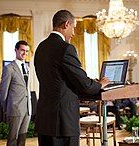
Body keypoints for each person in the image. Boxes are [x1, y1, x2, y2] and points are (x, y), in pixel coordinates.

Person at [34, 10, 109, 146]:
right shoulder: (65, 48)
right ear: (66, 24)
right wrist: (100, 84)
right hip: (63, 122)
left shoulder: (41, 47)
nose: (73, 33)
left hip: (45, 120)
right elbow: (84, 84)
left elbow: (59, 79)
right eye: (73, 28)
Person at [0, 40, 32, 146]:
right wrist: (8, 108)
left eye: (27, 51)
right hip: (14, 110)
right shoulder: (9, 68)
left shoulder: (27, 68)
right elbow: (3, 92)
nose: (25, 53)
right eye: (22, 50)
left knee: (22, 140)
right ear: (16, 50)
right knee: (12, 140)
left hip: (27, 109)